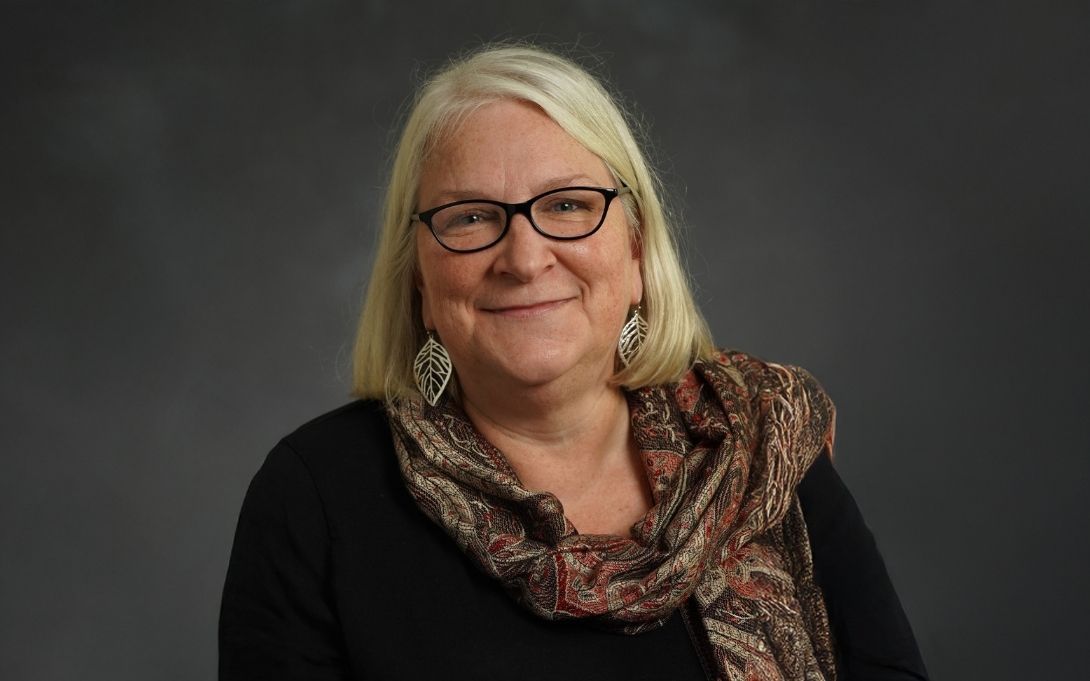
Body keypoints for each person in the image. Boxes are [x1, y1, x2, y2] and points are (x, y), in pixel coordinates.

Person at [219, 44, 929, 680]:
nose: (525, 259)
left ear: (635, 251)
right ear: (419, 281)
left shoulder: (761, 439)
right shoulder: (315, 496)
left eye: (566, 205)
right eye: (470, 216)